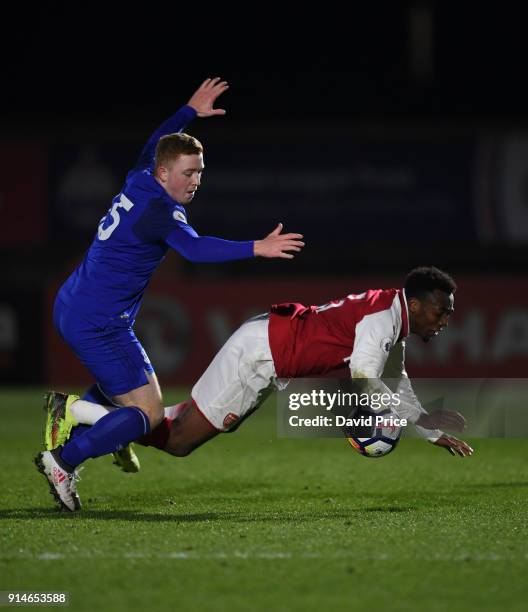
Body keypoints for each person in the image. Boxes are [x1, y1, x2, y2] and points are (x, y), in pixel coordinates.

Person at [35, 77, 305, 512]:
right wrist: (257, 247)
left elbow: (155, 140)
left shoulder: (142, 176)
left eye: (200, 170)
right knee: (149, 415)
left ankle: (79, 417)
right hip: (99, 322)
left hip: (75, 303)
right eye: (188, 172)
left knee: (124, 395)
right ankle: (64, 458)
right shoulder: (159, 210)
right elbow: (195, 249)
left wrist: (187, 112)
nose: (196, 179)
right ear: (165, 173)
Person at [43, 266, 473, 511]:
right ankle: (80, 420)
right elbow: (363, 372)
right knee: (177, 441)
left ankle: (102, 416)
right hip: (262, 356)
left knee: (176, 423)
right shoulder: (383, 320)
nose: (444, 321)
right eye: (440, 311)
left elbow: (396, 382)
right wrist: (397, 415)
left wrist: (427, 427)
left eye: (449, 314)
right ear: (415, 304)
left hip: (265, 349)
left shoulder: (392, 318)